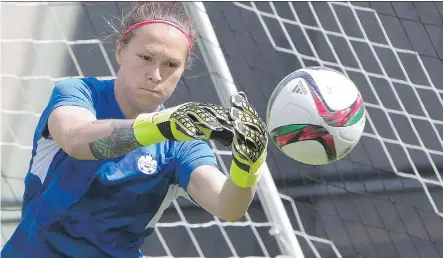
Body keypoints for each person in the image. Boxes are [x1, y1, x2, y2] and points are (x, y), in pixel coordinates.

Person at [1, 2, 268, 258]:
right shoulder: (79, 93)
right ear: (120, 50)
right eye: (146, 57)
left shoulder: (182, 144)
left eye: (171, 65)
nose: (155, 74)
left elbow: (227, 206)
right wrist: (163, 127)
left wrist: (248, 165)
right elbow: (76, 140)